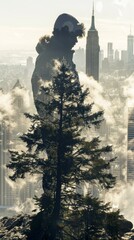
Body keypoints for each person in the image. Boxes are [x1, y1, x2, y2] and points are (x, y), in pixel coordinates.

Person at [31, 13, 84, 116]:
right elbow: (41, 96)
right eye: (74, 36)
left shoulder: (64, 57)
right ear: (64, 34)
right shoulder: (47, 59)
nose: (76, 41)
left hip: (66, 123)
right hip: (58, 124)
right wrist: (51, 123)